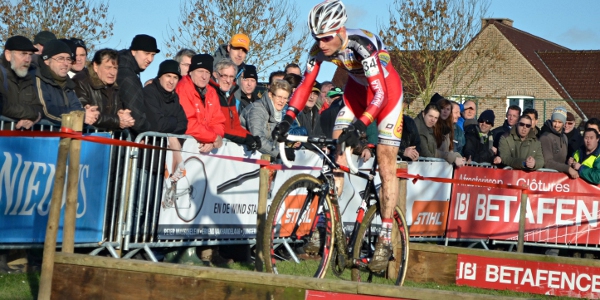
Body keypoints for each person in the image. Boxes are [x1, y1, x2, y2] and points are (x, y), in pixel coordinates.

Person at [270, 0, 405, 272]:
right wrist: (286, 119)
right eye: (316, 38)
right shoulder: (319, 48)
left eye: (327, 38)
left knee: (386, 161)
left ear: (340, 29)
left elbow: (379, 95)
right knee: (336, 153)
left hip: (387, 95)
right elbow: (305, 85)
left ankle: (385, 237)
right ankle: (325, 223)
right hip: (355, 93)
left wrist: (362, 125)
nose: (321, 44)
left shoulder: (361, 45)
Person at [34, 39, 98, 125]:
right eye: (60, 59)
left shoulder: (68, 83)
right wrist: (80, 115)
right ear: (47, 61)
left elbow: (76, 106)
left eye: (68, 59)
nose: (65, 63)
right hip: (41, 136)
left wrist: (87, 114)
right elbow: (47, 111)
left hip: (62, 135)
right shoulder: (38, 77)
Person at [73, 48, 134, 131]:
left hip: (105, 139)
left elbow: (119, 112)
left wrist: (125, 117)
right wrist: (117, 120)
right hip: (85, 138)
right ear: (95, 66)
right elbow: (88, 115)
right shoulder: (81, 81)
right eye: (108, 67)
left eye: (115, 68)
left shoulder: (114, 86)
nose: (112, 72)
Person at [176, 54, 225, 152]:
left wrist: (212, 139)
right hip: (182, 148)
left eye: (207, 72)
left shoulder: (211, 92)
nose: (204, 76)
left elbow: (218, 122)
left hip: (204, 148)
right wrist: (213, 137)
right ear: (190, 72)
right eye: (200, 71)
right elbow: (188, 122)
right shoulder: (182, 88)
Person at [210, 59, 261, 151]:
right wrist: (245, 138)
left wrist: (251, 137)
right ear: (215, 75)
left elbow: (236, 125)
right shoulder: (211, 94)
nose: (228, 80)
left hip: (226, 149)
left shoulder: (230, 95)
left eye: (231, 76)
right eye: (224, 76)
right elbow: (221, 128)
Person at [240, 80, 295, 159]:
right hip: (244, 159)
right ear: (270, 95)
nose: (282, 101)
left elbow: (276, 140)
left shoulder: (278, 114)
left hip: (261, 160)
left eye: (285, 98)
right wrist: (279, 153)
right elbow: (258, 138)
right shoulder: (256, 110)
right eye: (279, 97)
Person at [117, 34, 160, 134]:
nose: (150, 59)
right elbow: (135, 115)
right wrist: (149, 133)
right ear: (133, 51)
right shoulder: (127, 75)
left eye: (153, 55)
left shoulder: (125, 67)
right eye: (146, 53)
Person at [0, 35, 43, 129]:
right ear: (8, 55)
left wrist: (34, 117)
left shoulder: (27, 77)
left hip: (17, 140)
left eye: (30, 55)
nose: (27, 59)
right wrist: (32, 114)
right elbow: (2, 106)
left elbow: (39, 108)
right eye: (23, 54)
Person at [143, 59, 187, 134]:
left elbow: (183, 124)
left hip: (165, 143)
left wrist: (170, 137)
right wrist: (174, 121)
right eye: (168, 76)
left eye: (175, 77)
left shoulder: (174, 96)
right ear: (160, 77)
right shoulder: (150, 92)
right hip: (150, 143)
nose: (171, 81)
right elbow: (157, 124)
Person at [539, 107, 578, 178]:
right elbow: (547, 162)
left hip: (560, 179)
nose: (556, 125)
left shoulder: (564, 137)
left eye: (559, 122)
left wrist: (570, 163)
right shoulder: (545, 137)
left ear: (563, 123)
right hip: (547, 177)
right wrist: (567, 168)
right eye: (554, 121)